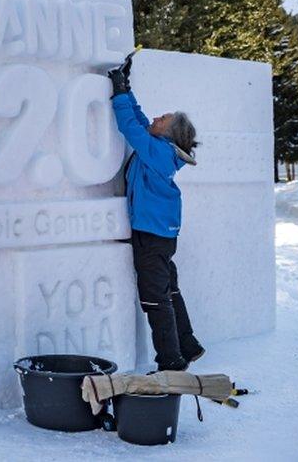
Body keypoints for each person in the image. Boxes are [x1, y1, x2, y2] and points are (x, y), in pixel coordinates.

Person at [108, 55, 205, 371]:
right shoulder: (160, 149)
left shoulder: (158, 152)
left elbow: (129, 126)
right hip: (161, 235)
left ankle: (171, 361)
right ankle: (187, 345)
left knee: (155, 299)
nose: (156, 117)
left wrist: (118, 90)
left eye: (163, 117)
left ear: (169, 133)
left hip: (151, 237)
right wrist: (125, 88)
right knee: (169, 290)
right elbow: (137, 118)